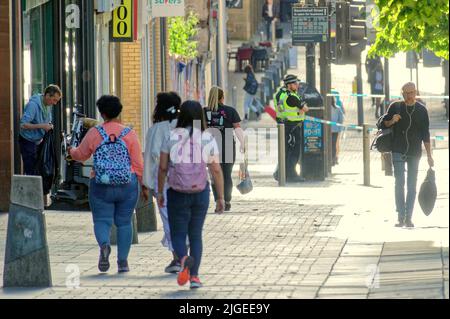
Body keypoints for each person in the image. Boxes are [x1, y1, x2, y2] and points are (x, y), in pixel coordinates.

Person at [69, 95, 149, 273]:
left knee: (102, 220)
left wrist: (71, 150)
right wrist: (143, 186)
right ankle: (123, 262)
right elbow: (138, 164)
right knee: (124, 222)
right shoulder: (129, 134)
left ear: (102, 113)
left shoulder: (95, 133)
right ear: (119, 111)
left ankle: (104, 245)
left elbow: (80, 155)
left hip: (100, 183)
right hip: (127, 184)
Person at [157, 100, 225, 289]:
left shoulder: (171, 137)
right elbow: (216, 169)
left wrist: (160, 191)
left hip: (176, 191)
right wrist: (220, 197)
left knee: (178, 234)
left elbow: (162, 168)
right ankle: (194, 277)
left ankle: (183, 258)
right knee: (195, 235)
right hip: (200, 191)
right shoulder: (207, 137)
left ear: (181, 115)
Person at [382, 82, 434, 228]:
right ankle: (400, 216)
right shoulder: (395, 106)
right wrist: (393, 120)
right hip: (397, 149)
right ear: (402, 93)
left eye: (411, 93)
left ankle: (408, 217)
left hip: (415, 152)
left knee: (412, 185)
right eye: (406, 93)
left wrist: (429, 156)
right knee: (399, 183)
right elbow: (382, 124)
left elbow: (426, 134)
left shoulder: (421, 110)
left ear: (415, 92)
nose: (409, 96)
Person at [143, 92, 181, 274]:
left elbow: (151, 159)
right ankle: (184, 253)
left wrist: (147, 184)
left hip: (164, 181)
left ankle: (178, 257)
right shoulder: (186, 126)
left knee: (168, 218)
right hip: (187, 180)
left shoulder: (156, 129)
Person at [204, 86, 245, 212]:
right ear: (222, 97)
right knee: (226, 174)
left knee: (214, 174)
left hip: (210, 146)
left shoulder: (203, 112)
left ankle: (218, 200)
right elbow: (237, 128)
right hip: (227, 145)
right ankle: (226, 200)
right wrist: (243, 143)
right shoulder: (230, 111)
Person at [273, 74, 309, 182]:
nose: (297, 85)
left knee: (286, 151)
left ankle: (280, 173)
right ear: (289, 85)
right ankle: (291, 175)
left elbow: (282, 109)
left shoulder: (280, 94)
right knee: (294, 152)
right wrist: (300, 110)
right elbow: (306, 109)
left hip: (284, 125)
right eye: (295, 83)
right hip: (293, 126)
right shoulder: (291, 96)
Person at [19, 85, 62, 176]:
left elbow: (46, 121)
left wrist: (49, 125)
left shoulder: (47, 105)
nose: (54, 103)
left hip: (38, 142)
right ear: (47, 96)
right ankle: (32, 190)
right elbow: (23, 125)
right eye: (54, 100)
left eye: (56, 101)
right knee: (31, 171)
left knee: (38, 170)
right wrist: (42, 126)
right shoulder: (33, 105)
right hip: (28, 141)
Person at [331, 96, 345, 166]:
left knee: (329, 145)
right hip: (335, 130)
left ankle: (330, 159)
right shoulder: (337, 108)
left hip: (327, 130)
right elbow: (341, 119)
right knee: (334, 145)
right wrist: (339, 128)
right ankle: (334, 159)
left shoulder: (326, 108)